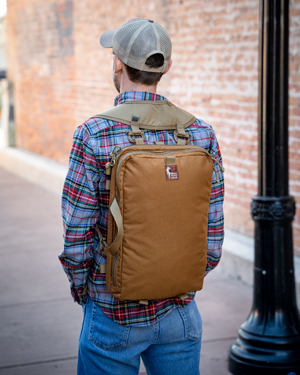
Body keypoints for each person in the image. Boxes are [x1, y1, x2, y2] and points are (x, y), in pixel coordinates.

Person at [59, 18, 224, 375]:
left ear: (117, 62)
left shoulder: (94, 133)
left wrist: (85, 292)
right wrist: (176, 280)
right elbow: (212, 235)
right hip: (181, 312)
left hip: (113, 310)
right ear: (166, 67)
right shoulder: (201, 134)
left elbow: (76, 237)